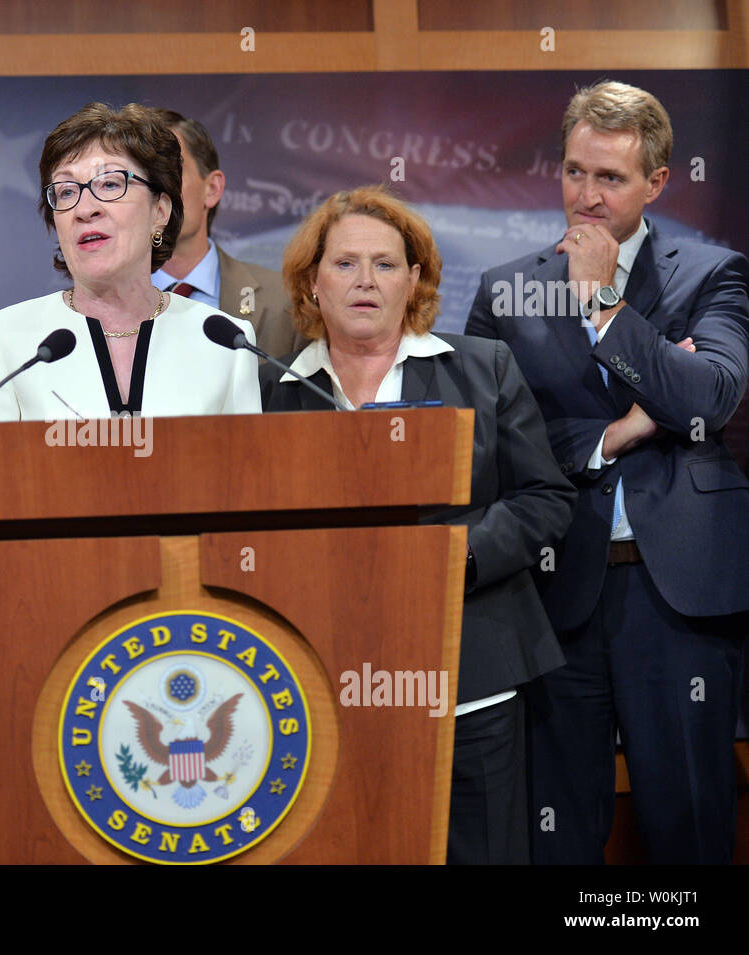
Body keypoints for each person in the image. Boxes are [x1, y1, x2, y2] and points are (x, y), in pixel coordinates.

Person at [466, 80, 749, 864]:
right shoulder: (504, 292)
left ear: (657, 182)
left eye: (610, 178)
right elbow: (490, 451)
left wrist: (604, 306)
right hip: (556, 592)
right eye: (574, 172)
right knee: (556, 821)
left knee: (688, 818)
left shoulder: (713, 274)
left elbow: (710, 397)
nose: (585, 196)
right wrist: (616, 435)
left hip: (679, 599)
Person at [261, 185, 575, 863]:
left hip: (473, 675)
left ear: (416, 278)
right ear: (312, 283)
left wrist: (452, 558)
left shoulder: (482, 369)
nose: (365, 280)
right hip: (327, 683)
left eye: (385, 263)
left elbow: (546, 498)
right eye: (344, 264)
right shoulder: (274, 394)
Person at [0, 103, 260, 421]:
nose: (84, 209)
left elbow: (245, 469)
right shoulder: (2, 339)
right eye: (65, 191)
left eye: (110, 184)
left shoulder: (225, 342)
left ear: (160, 211)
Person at [151, 108, 305, 357]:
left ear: (212, 188)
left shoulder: (284, 303)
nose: (155, 188)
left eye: (169, 171)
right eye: (141, 176)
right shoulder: (94, 306)